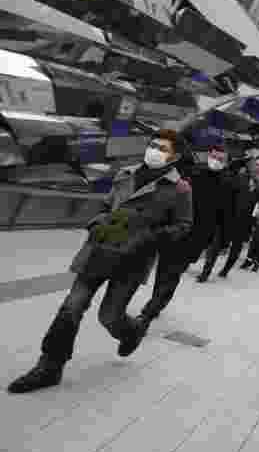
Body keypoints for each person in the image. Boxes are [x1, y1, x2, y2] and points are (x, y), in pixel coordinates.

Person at [8, 130, 193, 393]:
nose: (154, 150)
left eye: (162, 148)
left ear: (174, 156)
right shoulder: (126, 173)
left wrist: (148, 238)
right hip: (100, 250)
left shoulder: (180, 188)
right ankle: (50, 366)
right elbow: (106, 206)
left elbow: (183, 225)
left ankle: (133, 330)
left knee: (109, 316)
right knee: (71, 307)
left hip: (132, 259)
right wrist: (97, 223)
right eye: (152, 144)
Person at [136, 144, 233, 328]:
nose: (216, 161)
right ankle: (157, 302)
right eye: (213, 156)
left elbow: (226, 216)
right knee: (163, 271)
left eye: (220, 158)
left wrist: (221, 242)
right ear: (208, 155)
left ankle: (151, 309)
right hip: (174, 229)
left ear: (226, 161)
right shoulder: (194, 173)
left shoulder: (229, 183)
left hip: (197, 237)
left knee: (173, 274)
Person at [198, 157, 259, 281]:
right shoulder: (241, 177)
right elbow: (228, 192)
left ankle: (226, 270)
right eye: (256, 164)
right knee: (215, 246)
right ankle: (205, 272)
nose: (258, 166)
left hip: (245, 223)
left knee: (235, 249)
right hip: (228, 218)